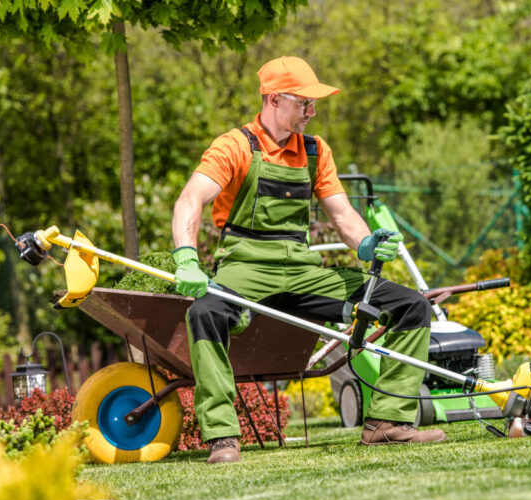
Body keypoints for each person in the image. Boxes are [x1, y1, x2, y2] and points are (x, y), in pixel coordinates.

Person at [172, 56, 447, 464]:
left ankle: (387, 423)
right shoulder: (233, 146)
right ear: (276, 99)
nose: (312, 112)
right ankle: (223, 437)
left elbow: (342, 215)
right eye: (305, 103)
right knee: (204, 313)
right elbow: (189, 200)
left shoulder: (316, 151)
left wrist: (367, 242)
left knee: (411, 305)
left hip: (303, 273)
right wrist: (186, 258)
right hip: (245, 269)